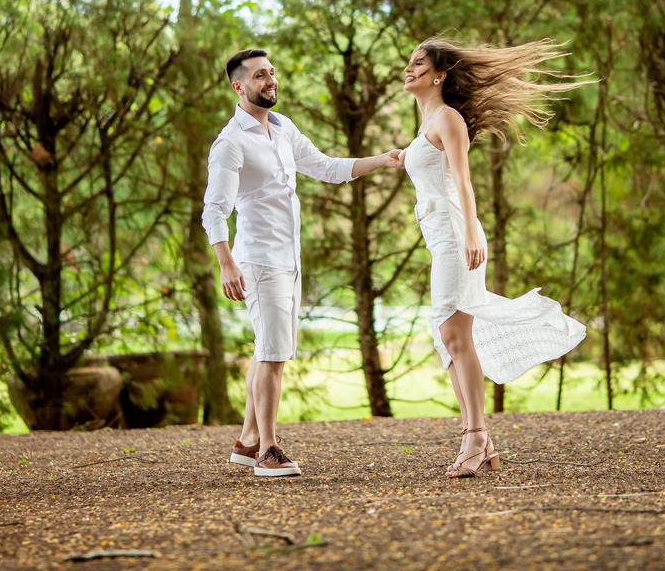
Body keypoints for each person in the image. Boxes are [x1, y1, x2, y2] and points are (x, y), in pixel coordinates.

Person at [202, 48, 402, 478]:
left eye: (272, 72)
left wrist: (383, 160)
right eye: (260, 75)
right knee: (273, 355)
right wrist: (226, 263)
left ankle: (247, 441)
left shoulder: (282, 127)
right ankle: (267, 451)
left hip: (288, 259)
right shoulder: (230, 142)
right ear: (238, 86)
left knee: (268, 349)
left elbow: (327, 167)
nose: (270, 80)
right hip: (258, 261)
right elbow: (214, 210)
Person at [398, 38, 588, 478]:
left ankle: (475, 437)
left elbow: (463, 182)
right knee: (449, 336)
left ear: (439, 75)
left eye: (419, 63)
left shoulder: (448, 118)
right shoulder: (428, 122)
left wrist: (470, 232)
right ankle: (480, 440)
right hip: (438, 236)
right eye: (409, 62)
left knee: (454, 334)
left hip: (455, 234)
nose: (409, 69)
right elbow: (429, 169)